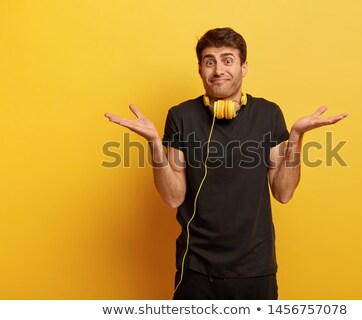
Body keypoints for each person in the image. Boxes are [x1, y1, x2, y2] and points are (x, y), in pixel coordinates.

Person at [105, 27, 347, 300]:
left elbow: (284, 193)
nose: (218, 69)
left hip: (255, 268)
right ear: (200, 70)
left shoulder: (269, 114)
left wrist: (296, 137)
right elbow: (173, 197)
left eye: (227, 60)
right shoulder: (181, 116)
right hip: (194, 269)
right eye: (210, 61)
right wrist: (153, 144)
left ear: (244, 68)